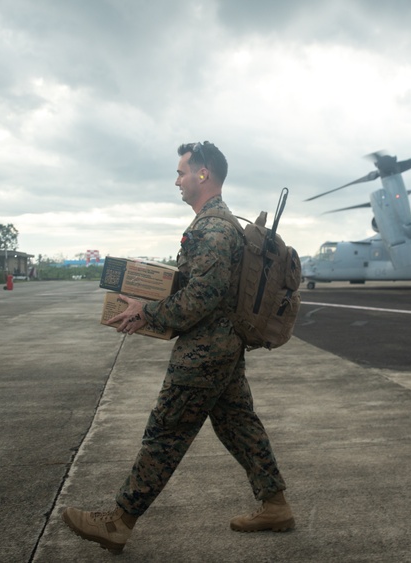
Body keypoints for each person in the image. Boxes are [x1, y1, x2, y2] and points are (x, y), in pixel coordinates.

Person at [61, 141, 292, 555]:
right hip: (222, 349)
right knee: (238, 424)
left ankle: (119, 520)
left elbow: (202, 296)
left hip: (205, 353)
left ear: (204, 174)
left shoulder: (214, 228)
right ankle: (275, 504)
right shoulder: (218, 224)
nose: (177, 180)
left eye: (182, 171)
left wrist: (148, 313)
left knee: (166, 432)